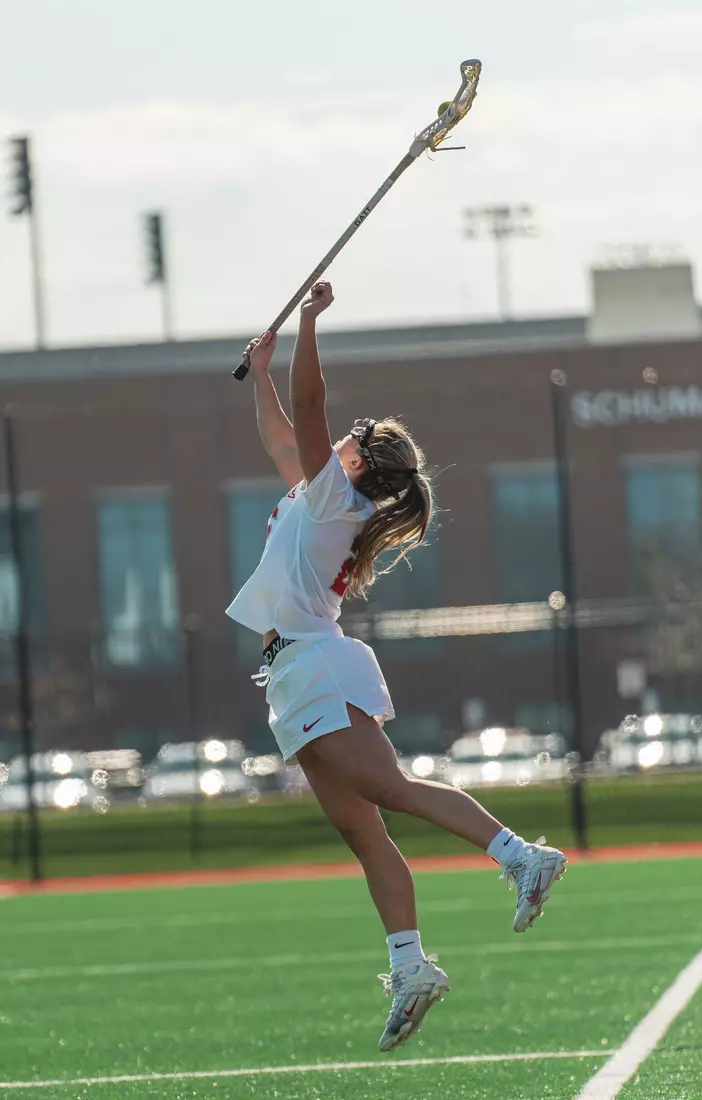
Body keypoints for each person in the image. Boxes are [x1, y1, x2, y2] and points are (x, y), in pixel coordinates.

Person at [227, 281, 567, 1052]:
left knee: (388, 789)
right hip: (292, 674)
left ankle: (521, 856)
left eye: (348, 435)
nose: (332, 438)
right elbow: (285, 435)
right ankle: (410, 966)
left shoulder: (332, 500)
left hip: (314, 666)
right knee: (363, 830)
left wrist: (309, 325)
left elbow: (307, 413)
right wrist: (267, 364)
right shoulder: (320, 493)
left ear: (355, 456)